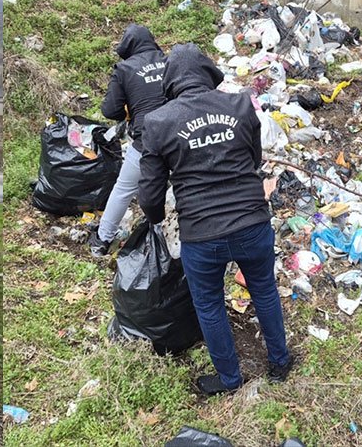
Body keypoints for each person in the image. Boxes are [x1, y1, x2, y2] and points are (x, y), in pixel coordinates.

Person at [138, 44, 292, 396]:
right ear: (208, 72)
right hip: (251, 223)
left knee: (208, 303)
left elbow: (150, 192)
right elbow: (254, 159)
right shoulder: (240, 105)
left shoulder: (158, 122)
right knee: (264, 289)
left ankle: (229, 378)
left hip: (202, 233)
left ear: (170, 81)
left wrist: (156, 220)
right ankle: (280, 362)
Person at [88, 24, 167, 257]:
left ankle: (102, 239)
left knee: (124, 189)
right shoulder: (169, 61)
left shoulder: (124, 69)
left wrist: (130, 109)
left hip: (146, 140)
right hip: (179, 136)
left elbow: (110, 110)